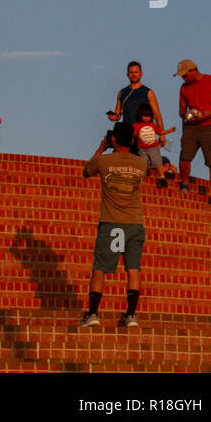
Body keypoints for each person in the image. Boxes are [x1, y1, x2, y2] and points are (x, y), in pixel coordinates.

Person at [80, 122, 148, 329]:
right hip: (135, 222)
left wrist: (101, 148)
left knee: (100, 269)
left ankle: (92, 313)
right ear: (133, 140)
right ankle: (131, 315)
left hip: (112, 222)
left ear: (114, 139)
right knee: (133, 269)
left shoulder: (104, 160)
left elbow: (86, 172)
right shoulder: (141, 164)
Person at [175, 60, 211, 208]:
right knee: (184, 157)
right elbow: (181, 109)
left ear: (193, 70)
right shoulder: (184, 88)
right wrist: (187, 114)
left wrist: (207, 114)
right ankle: (184, 186)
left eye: (185, 75)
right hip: (191, 127)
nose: (183, 78)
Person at [106, 62, 164, 141]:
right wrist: (113, 117)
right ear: (127, 74)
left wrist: (162, 135)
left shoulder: (148, 92)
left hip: (144, 134)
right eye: (131, 72)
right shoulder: (122, 92)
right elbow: (118, 114)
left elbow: (157, 115)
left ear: (141, 74)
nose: (134, 75)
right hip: (127, 133)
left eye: (136, 72)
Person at [132, 103, 177, 186]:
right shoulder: (136, 126)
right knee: (143, 162)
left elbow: (160, 132)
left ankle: (162, 177)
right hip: (142, 148)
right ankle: (144, 177)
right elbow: (132, 135)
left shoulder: (152, 125)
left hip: (153, 147)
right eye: (145, 116)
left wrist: (169, 131)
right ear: (140, 115)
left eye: (148, 116)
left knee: (157, 161)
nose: (147, 118)